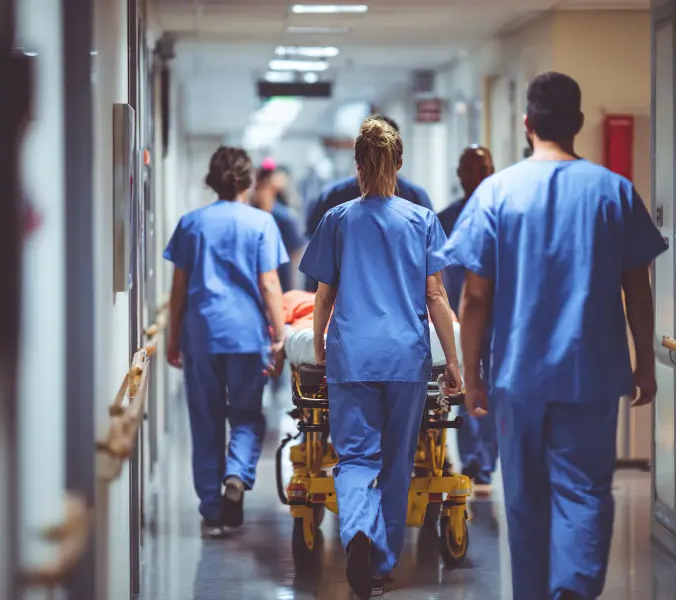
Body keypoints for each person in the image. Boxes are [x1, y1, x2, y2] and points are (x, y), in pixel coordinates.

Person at [442, 72, 667, 600]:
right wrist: (645, 363)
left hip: (518, 376)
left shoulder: (496, 193)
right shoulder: (613, 191)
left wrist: (471, 374)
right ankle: (575, 587)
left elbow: (475, 298)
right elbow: (638, 289)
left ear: (527, 124)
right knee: (585, 491)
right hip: (591, 374)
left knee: (523, 499)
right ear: (579, 122)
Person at [300, 117, 462, 599]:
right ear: (399, 163)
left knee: (355, 457)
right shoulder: (421, 220)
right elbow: (436, 297)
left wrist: (320, 345)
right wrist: (453, 362)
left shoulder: (337, 219)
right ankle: (381, 561)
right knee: (397, 463)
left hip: (352, 355)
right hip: (405, 359)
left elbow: (323, 295)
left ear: (358, 165)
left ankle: (357, 532)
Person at [164, 146, 288, 538]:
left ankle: (212, 508)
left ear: (212, 181)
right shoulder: (262, 223)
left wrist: (172, 337)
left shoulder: (191, 224)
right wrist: (281, 336)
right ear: (247, 182)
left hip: (201, 334)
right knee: (247, 415)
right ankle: (237, 473)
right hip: (247, 335)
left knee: (205, 419)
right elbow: (269, 283)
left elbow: (178, 289)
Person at [304, 115, 434, 292]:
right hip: (401, 300)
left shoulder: (333, 200)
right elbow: (433, 277)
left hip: (347, 300)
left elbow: (319, 266)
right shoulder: (417, 203)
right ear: (399, 159)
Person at [437, 145, 498, 495]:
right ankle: (473, 458)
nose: (476, 176)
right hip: (457, 319)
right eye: (470, 169)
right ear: (459, 174)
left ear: (492, 171)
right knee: (461, 383)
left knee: (492, 385)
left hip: (498, 317)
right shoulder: (445, 220)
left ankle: (486, 462)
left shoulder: (503, 215)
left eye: (483, 169)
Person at [252, 165, 306, 291]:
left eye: (262, 187)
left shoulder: (284, 218)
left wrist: (293, 288)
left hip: (280, 283)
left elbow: (295, 254)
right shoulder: (250, 216)